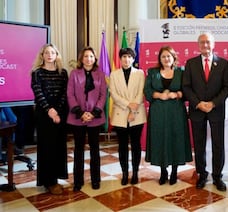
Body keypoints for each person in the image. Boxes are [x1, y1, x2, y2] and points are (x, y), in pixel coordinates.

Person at [182, 33, 228, 191]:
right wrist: (198, 103)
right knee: (199, 144)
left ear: (213, 44)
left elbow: (227, 87)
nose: (205, 45)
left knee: (218, 144)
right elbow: (186, 87)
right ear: (198, 45)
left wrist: (213, 103)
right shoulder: (190, 63)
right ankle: (202, 174)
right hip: (197, 110)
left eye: (208, 42)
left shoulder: (223, 63)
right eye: (202, 42)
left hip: (216, 110)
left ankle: (217, 176)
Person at [144, 46, 192, 185]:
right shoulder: (152, 72)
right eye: (163, 56)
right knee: (160, 139)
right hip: (158, 112)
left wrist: (176, 94)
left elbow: (187, 90)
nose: (166, 59)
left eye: (169, 56)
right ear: (160, 58)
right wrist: (159, 95)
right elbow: (147, 90)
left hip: (176, 112)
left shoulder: (181, 72)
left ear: (173, 57)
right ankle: (163, 171)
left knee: (175, 138)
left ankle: (175, 171)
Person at [67, 46, 107, 191]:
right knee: (78, 150)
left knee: (95, 150)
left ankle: (96, 179)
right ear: (81, 59)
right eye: (85, 56)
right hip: (77, 118)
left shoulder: (100, 75)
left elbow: (103, 95)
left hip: (95, 118)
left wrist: (94, 113)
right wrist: (81, 113)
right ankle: (78, 181)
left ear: (95, 58)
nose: (88, 59)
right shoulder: (74, 74)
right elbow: (70, 94)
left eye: (91, 56)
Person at [31, 43, 69, 194]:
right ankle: (48, 181)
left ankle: (56, 178)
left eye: (52, 52)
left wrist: (57, 111)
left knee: (58, 146)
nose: (49, 55)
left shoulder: (63, 72)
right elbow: (38, 92)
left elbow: (65, 93)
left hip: (60, 113)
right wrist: (50, 110)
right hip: (44, 113)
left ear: (56, 55)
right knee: (46, 147)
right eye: (46, 53)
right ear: (42, 56)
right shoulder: (37, 73)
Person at [110, 48, 146, 185]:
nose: (126, 59)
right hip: (120, 113)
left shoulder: (140, 73)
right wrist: (128, 105)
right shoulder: (114, 74)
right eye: (124, 57)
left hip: (137, 114)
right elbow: (114, 94)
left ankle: (135, 172)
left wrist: (133, 110)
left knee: (136, 145)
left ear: (133, 59)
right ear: (120, 59)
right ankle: (125, 173)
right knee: (122, 146)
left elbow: (140, 92)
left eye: (129, 57)